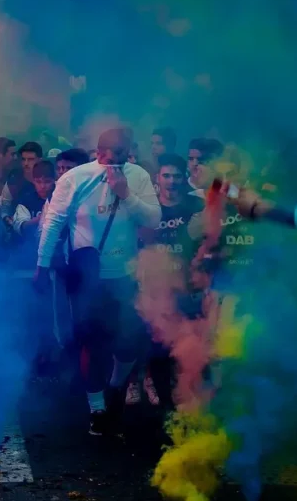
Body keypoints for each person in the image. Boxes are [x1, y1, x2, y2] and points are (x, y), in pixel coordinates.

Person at [34, 128, 160, 436]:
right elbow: (53, 224)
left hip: (124, 275)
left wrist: (125, 193)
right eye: (111, 154)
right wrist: (41, 264)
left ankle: (116, 387)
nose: (116, 160)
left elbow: (153, 220)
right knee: (91, 344)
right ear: (99, 152)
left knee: (129, 342)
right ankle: (97, 409)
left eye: (123, 154)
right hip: (87, 277)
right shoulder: (75, 178)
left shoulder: (138, 176)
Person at [134, 153, 203, 408]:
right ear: (157, 178)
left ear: (184, 178)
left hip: (188, 291)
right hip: (156, 293)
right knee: (159, 352)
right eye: (166, 175)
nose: (171, 181)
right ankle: (165, 408)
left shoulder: (196, 206)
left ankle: (190, 404)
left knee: (188, 352)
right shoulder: (147, 208)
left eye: (176, 176)